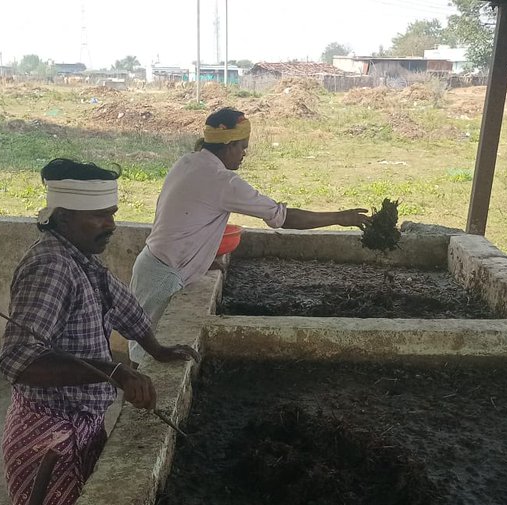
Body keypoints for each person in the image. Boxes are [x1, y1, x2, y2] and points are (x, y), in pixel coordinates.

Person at [0, 158, 198, 505]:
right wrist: (114, 371)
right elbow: (17, 361)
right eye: (100, 216)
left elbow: (123, 308)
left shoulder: (82, 258)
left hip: (82, 422)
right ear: (65, 216)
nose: (111, 225)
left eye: (112, 214)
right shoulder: (51, 268)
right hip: (51, 435)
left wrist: (156, 349)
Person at [128, 107, 371, 363]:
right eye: (243, 146)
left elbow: (175, 217)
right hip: (164, 277)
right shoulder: (224, 182)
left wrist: (199, 258)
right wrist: (338, 218)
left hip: (152, 264)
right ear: (228, 144)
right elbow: (282, 217)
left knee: (143, 345)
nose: (245, 153)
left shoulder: (188, 162)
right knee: (151, 358)